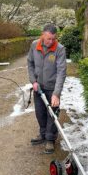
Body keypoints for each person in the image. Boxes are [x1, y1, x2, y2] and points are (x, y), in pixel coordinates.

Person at [27, 24, 66, 154]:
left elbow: (61, 72)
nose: (51, 41)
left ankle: (50, 139)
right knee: (40, 113)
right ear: (42, 34)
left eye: (53, 39)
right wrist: (33, 81)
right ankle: (43, 134)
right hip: (39, 87)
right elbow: (30, 64)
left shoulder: (59, 49)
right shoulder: (34, 45)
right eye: (48, 38)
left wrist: (56, 94)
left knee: (52, 114)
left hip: (52, 88)